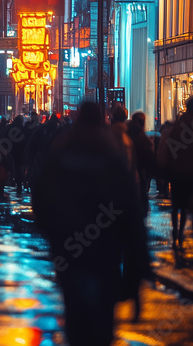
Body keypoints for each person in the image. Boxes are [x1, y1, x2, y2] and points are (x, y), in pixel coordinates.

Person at [32, 102, 149, 344]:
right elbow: (129, 207)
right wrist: (136, 266)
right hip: (105, 247)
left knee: (74, 311)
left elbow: (41, 194)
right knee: (104, 318)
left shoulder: (62, 147)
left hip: (68, 244)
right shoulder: (111, 150)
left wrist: (50, 231)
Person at [157, 95, 193, 253]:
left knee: (176, 205)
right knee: (190, 206)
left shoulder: (178, 125)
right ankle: (188, 234)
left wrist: (166, 167)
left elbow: (169, 148)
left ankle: (176, 232)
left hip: (176, 172)